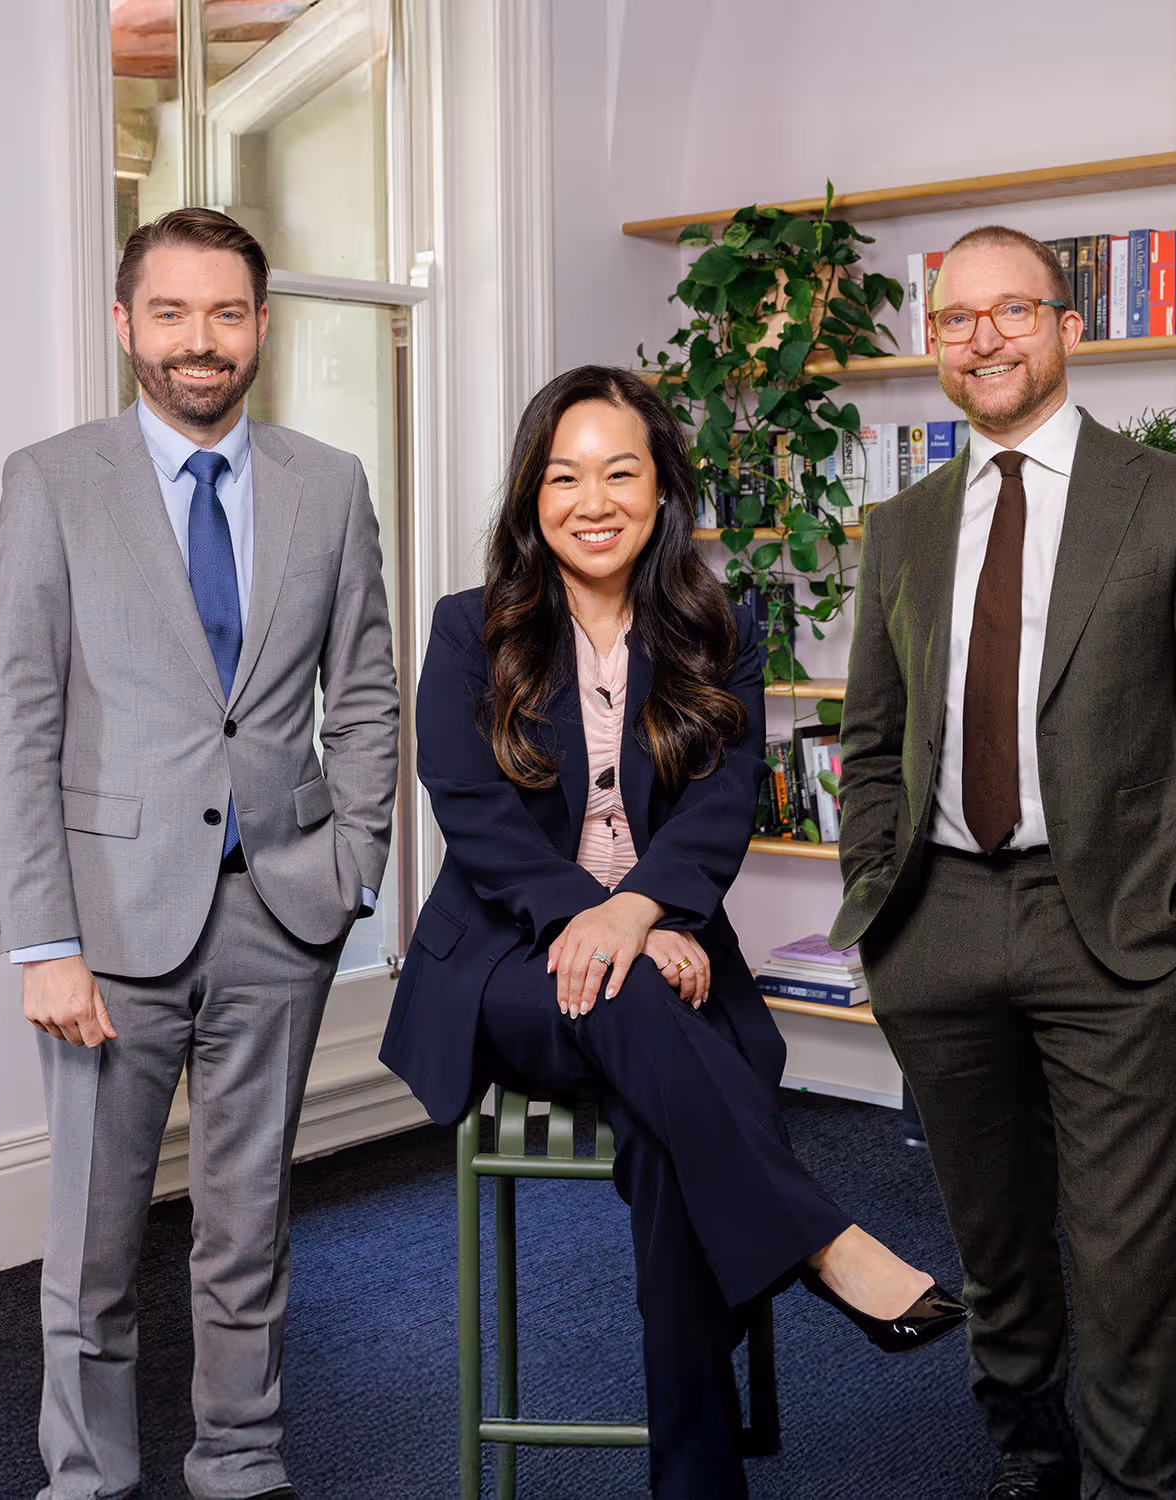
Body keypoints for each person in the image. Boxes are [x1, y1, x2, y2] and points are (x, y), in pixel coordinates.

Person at [382, 365, 967, 1499]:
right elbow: (472, 809)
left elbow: (721, 795)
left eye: (619, 471)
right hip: (507, 968)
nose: (590, 499)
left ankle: (696, 1483)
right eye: (563, 475)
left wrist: (648, 912)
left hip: (664, 953)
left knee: (670, 1130)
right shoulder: (471, 629)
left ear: (661, 493)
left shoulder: (716, 622)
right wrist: (605, 925)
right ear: (530, 494)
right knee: (630, 1003)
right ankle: (823, 1242)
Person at [831, 224, 1176, 1500]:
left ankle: (1139, 1485)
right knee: (996, 1233)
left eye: (1012, 311)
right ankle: (1029, 1453)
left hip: (1122, 932)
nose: (986, 339)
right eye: (958, 319)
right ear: (933, 343)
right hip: (941, 925)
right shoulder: (903, 524)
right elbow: (872, 739)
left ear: (1066, 325)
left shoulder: (1174, 500)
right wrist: (879, 911)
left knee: (1130, 1251)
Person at [0, 208, 399, 1500]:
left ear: (261, 328)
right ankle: (86, 1480)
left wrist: (353, 867)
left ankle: (240, 1463)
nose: (200, 341)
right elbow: (20, 719)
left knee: (247, 1231)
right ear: (126, 325)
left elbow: (369, 690)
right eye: (170, 313)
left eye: (226, 313)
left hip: (280, 915)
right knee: (96, 1246)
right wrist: (43, 941)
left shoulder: (328, 484)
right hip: (106, 930)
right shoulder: (53, 483)